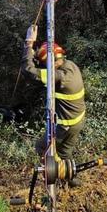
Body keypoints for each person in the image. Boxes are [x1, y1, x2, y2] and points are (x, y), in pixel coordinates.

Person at [20, 25, 86, 186]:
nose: (44, 68)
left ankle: (50, 178)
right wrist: (37, 53)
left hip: (65, 125)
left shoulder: (59, 76)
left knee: (41, 147)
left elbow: (29, 71)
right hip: (78, 121)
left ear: (51, 64)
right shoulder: (70, 65)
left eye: (45, 65)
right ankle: (70, 178)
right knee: (64, 151)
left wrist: (29, 44)